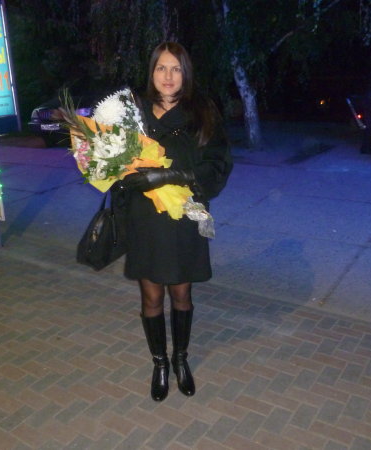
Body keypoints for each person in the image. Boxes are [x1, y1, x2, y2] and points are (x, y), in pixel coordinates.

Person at [118, 42, 232, 401]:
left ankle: (181, 359)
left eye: (176, 68)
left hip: (183, 215)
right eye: (161, 68)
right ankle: (160, 364)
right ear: (151, 72)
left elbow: (217, 164)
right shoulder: (132, 113)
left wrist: (170, 176)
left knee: (182, 294)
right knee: (151, 296)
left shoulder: (202, 112)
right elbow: (115, 167)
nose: (168, 76)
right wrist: (126, 177)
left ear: (186, 73)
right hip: (145, 221)